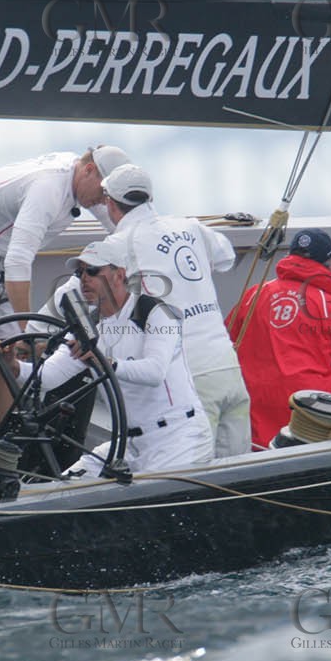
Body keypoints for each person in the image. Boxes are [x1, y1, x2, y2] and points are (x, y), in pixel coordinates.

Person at [0, 144, 130, 429]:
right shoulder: (48, 188)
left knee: (13, 357)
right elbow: (20, 261)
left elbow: (122, 229)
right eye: (103, 192)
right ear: (90, 170)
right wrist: (27, 330)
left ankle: (2, 450)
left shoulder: (81, 178)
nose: (103, 201)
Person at [9, 232, 213, 474]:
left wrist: (104, 362)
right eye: (80, 272)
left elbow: (155, 372)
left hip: (179, 438)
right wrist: (10, 364)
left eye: (93, 271)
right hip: (128, 443)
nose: (84, 278)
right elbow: (47, 378)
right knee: (66, 488)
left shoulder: (157, 312)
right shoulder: (88, 329)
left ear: (120, 275)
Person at [103, 163, 251, 458]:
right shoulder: (190, 226)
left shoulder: (118, 245)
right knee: (237, 471)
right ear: (149, 198)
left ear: (110, 203)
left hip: (191, 378)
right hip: (228, 367)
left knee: (198, 478)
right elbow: (225, 259)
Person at [225, 228, 331, 448]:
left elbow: (228, 345)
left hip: (256, 420)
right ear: (330, 262)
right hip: (313, 415)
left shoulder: (252, 296)